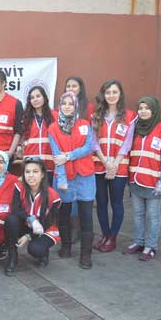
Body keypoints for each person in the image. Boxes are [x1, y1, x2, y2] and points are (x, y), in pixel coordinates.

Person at [123, 96, 161, 261]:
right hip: (136, 181)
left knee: (153, 216)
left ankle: (151, 246)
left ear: (154, 110)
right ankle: (138, 242)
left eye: (147, 108)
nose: (143, 111)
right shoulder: (134, 129)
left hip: (154, 184)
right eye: (140, 108)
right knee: (138, 214)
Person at [48, 92, 96, 269]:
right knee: (64, 214)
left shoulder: (84, 125)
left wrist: (68, 155)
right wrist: (61, 179)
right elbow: (56, 156)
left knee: (86, 215)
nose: (67, 107)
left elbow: (89, 147)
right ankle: (66, 247)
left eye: (70, 104)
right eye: (64, 103)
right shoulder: (53, 128)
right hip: (65, 177)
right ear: (60, 106)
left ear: (76, 106)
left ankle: (86, 255)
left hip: (85, 177)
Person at [91, 80, 136, 253]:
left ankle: (112, 238)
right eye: (108, 92)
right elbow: (94, 142)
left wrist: (114, 164)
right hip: (99, 166)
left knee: (117, 203)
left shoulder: (129, 116)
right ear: (103, 95)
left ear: (120, 94)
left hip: (119, 168)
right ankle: (105, 234)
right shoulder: (96, 116)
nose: (111, 95)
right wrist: (105, 162)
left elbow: (127, 143)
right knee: (101, 203)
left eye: (114, 92)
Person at [3, 157, 61, 276]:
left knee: (35, 249)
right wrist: (31, 219)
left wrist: (28, 236)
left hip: (45, 228)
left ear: (42, 174)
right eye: (27, 172)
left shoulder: (53, 196)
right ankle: (12, 256)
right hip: (27, 224)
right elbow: (15, 209)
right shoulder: (19, 187)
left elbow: (48, 223)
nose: (31, 175)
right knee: (10, 220)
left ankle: (44, 252)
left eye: (35, 171)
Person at [63, 76, 95, 242]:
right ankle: (72, 228)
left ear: (80, 88)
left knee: (84, 199)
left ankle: (83, 230)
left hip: (82, 159)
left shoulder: (89, 108)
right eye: (68, 86)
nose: (71, 89)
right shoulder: (62, 108)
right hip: (66, 161)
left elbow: (91, 137)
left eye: (74, 86)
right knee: (69, 199)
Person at [20, 85, 58, 185]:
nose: (35, 99)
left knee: (49, 193)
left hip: (50, 165)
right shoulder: (25, 117)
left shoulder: (55, 116)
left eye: (38, 96)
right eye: (32, 98)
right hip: (31, 166)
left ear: (44, 97)